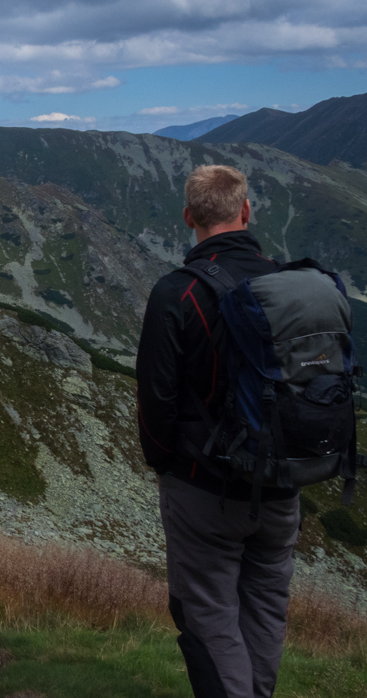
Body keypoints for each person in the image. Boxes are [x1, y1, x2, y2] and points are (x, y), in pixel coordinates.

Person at [136, 165, 300, 698]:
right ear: (246, 211)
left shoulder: (174, 293)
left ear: (189, 218)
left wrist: (168, 467)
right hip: (281, 487)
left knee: (207, 617)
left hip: (203, 488)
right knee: (264, 614)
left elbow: (155, 402)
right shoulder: (288, 283)